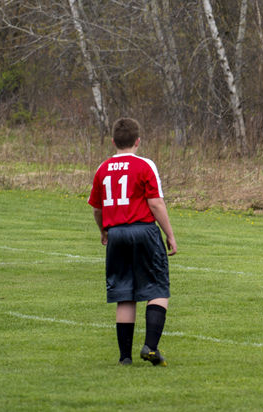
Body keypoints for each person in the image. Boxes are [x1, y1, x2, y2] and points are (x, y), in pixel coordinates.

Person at [88, 118, 178, 366]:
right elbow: (156, 203)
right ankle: (150, 346)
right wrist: (169, 234)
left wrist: (104, 231)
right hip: (144, 231)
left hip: (116, 233)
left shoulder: (102, 168)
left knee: (124, 293)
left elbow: (97, 208)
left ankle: (125, 357)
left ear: (113, 141)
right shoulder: (145, 165)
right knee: (158, 288)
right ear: (138, 141)